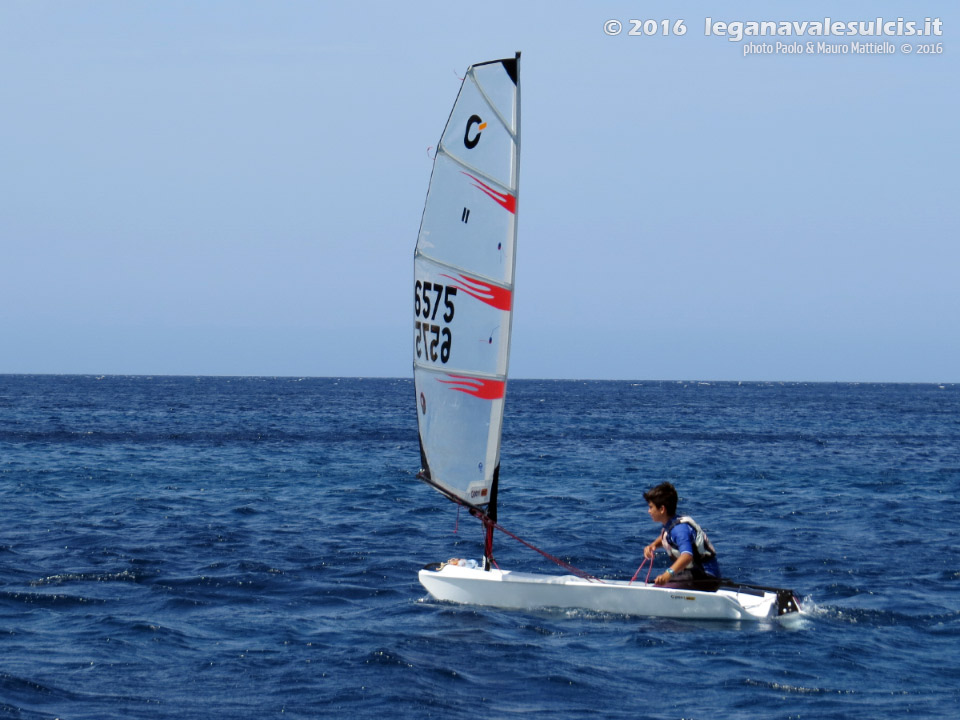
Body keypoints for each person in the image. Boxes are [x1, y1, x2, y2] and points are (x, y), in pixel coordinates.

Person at [642, 482, 722, 591]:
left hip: (705, 577)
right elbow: (667, 537)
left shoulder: (679, 529)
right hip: (694, 575)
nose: (649, 511)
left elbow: (687, 556)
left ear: (662, 509)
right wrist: (654, 545)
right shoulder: (671, 524)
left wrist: (668, 574)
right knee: (659, 587)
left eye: (651, 507)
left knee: (658, 590)